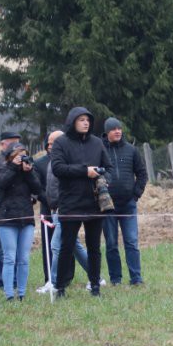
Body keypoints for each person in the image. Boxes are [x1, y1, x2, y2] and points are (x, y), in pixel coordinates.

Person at [50, 106, 112, 297]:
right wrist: (85, 171)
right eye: (81, 119)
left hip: (94, 203)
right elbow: (58, 168)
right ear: (72, 121)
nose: (86, 122)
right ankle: (60, 287)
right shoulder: (61, 142)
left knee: (94, 248)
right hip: (71, 203)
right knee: (66, 247)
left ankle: (95, 286)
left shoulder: (97, 143)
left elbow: (108, 167)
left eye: (88, 119)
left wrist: (104, 179)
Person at [0, 142, 42, 301]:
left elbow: (38, 189)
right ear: (11, 157)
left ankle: (21, 293)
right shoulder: (3, 168)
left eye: (24, 155)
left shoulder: (28, 172)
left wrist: (29, 172)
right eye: (19, 156)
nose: (22, 159)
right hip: (7, 219)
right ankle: (9, 294)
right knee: (9, 257)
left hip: (26, 218)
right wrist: (13, 167)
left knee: (24, 259)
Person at [101, 117, 148, 286]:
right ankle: (116, 280)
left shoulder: (132, 150)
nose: (118, 131)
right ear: (107, 132)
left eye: (119, 128)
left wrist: (135, 195)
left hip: (128, 204)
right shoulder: (100, 150)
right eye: (113, 129)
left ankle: (136, 278)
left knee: (131, 242)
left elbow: (142, 174)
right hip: (107, 206)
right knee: (111, 244)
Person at [0, 131, 22, 289]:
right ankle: (2, 281)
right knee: (4, 248)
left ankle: (15, 280)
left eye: (18, 143)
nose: (15, 147)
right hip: (2, 210)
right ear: (3, 144)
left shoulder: (21, 161)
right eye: (11, 143)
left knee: (19, 249)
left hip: (20, 209)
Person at [33, 131, 56, 289]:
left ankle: (65, 277)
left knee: (67, 245)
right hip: (47, 210)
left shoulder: (67, 161)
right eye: (51, 143)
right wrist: (50, 200)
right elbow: (37, 187)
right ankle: (49, 278)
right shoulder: (39, 163)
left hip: (65, 209)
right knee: (48, 246)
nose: (53, 146)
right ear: (46, 145)